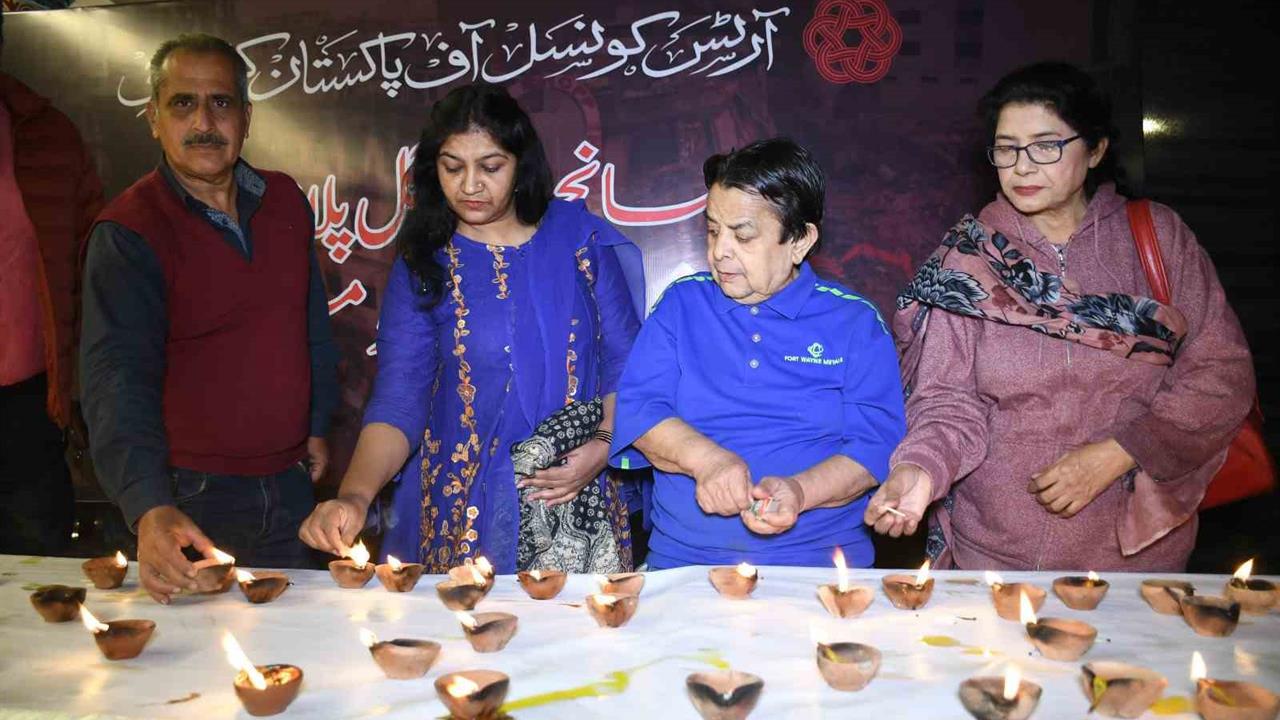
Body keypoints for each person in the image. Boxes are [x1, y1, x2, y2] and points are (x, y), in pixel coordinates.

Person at [866, 62, 1255, 571]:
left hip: (1135, 556)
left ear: (1095, 150)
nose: (1022, 167)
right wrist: (919, 470)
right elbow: (947, 400)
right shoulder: (969, 259)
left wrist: (1123, 450)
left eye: (1045, 146)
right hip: (994, 550)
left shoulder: (1158, 240)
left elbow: (1221, 374)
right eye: (1007, 149)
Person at [298, 83, 645, 574]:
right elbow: (399, 398)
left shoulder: (578, 241)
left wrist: (604, 446)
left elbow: (625, 363)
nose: (470, 185)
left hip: (578, 496)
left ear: (520, 165)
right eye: (453, 167)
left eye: (491, 167)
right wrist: (354, 496)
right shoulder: (426, 263)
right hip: (466, 508)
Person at [80, 34, 337, 603]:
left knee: (300, 639)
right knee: (205, 650)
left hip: (292, 486)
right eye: (183, 103)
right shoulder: (129, 232)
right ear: (154, 118)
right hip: (192, 497)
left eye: (221, 102)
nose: (203, 122)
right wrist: (149, 505)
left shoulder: (284, 200)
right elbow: (115, 381)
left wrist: (317, 422)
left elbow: (310, 324)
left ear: (246, 117)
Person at [610, 138, 906, 569]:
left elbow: (874, 448)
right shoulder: (682, 305)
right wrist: (706, 461)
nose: (720, 251)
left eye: (743, 235)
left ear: (799, 241)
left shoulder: (855, 323)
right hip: (685, 563)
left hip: (819, 567)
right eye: (713, 230)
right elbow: (640, 412)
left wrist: (800, 492)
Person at [0, 8, 104, 556]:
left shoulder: (45, 133)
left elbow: (91, 264)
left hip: (29, 407)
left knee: (37, 571)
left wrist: (76, 389)